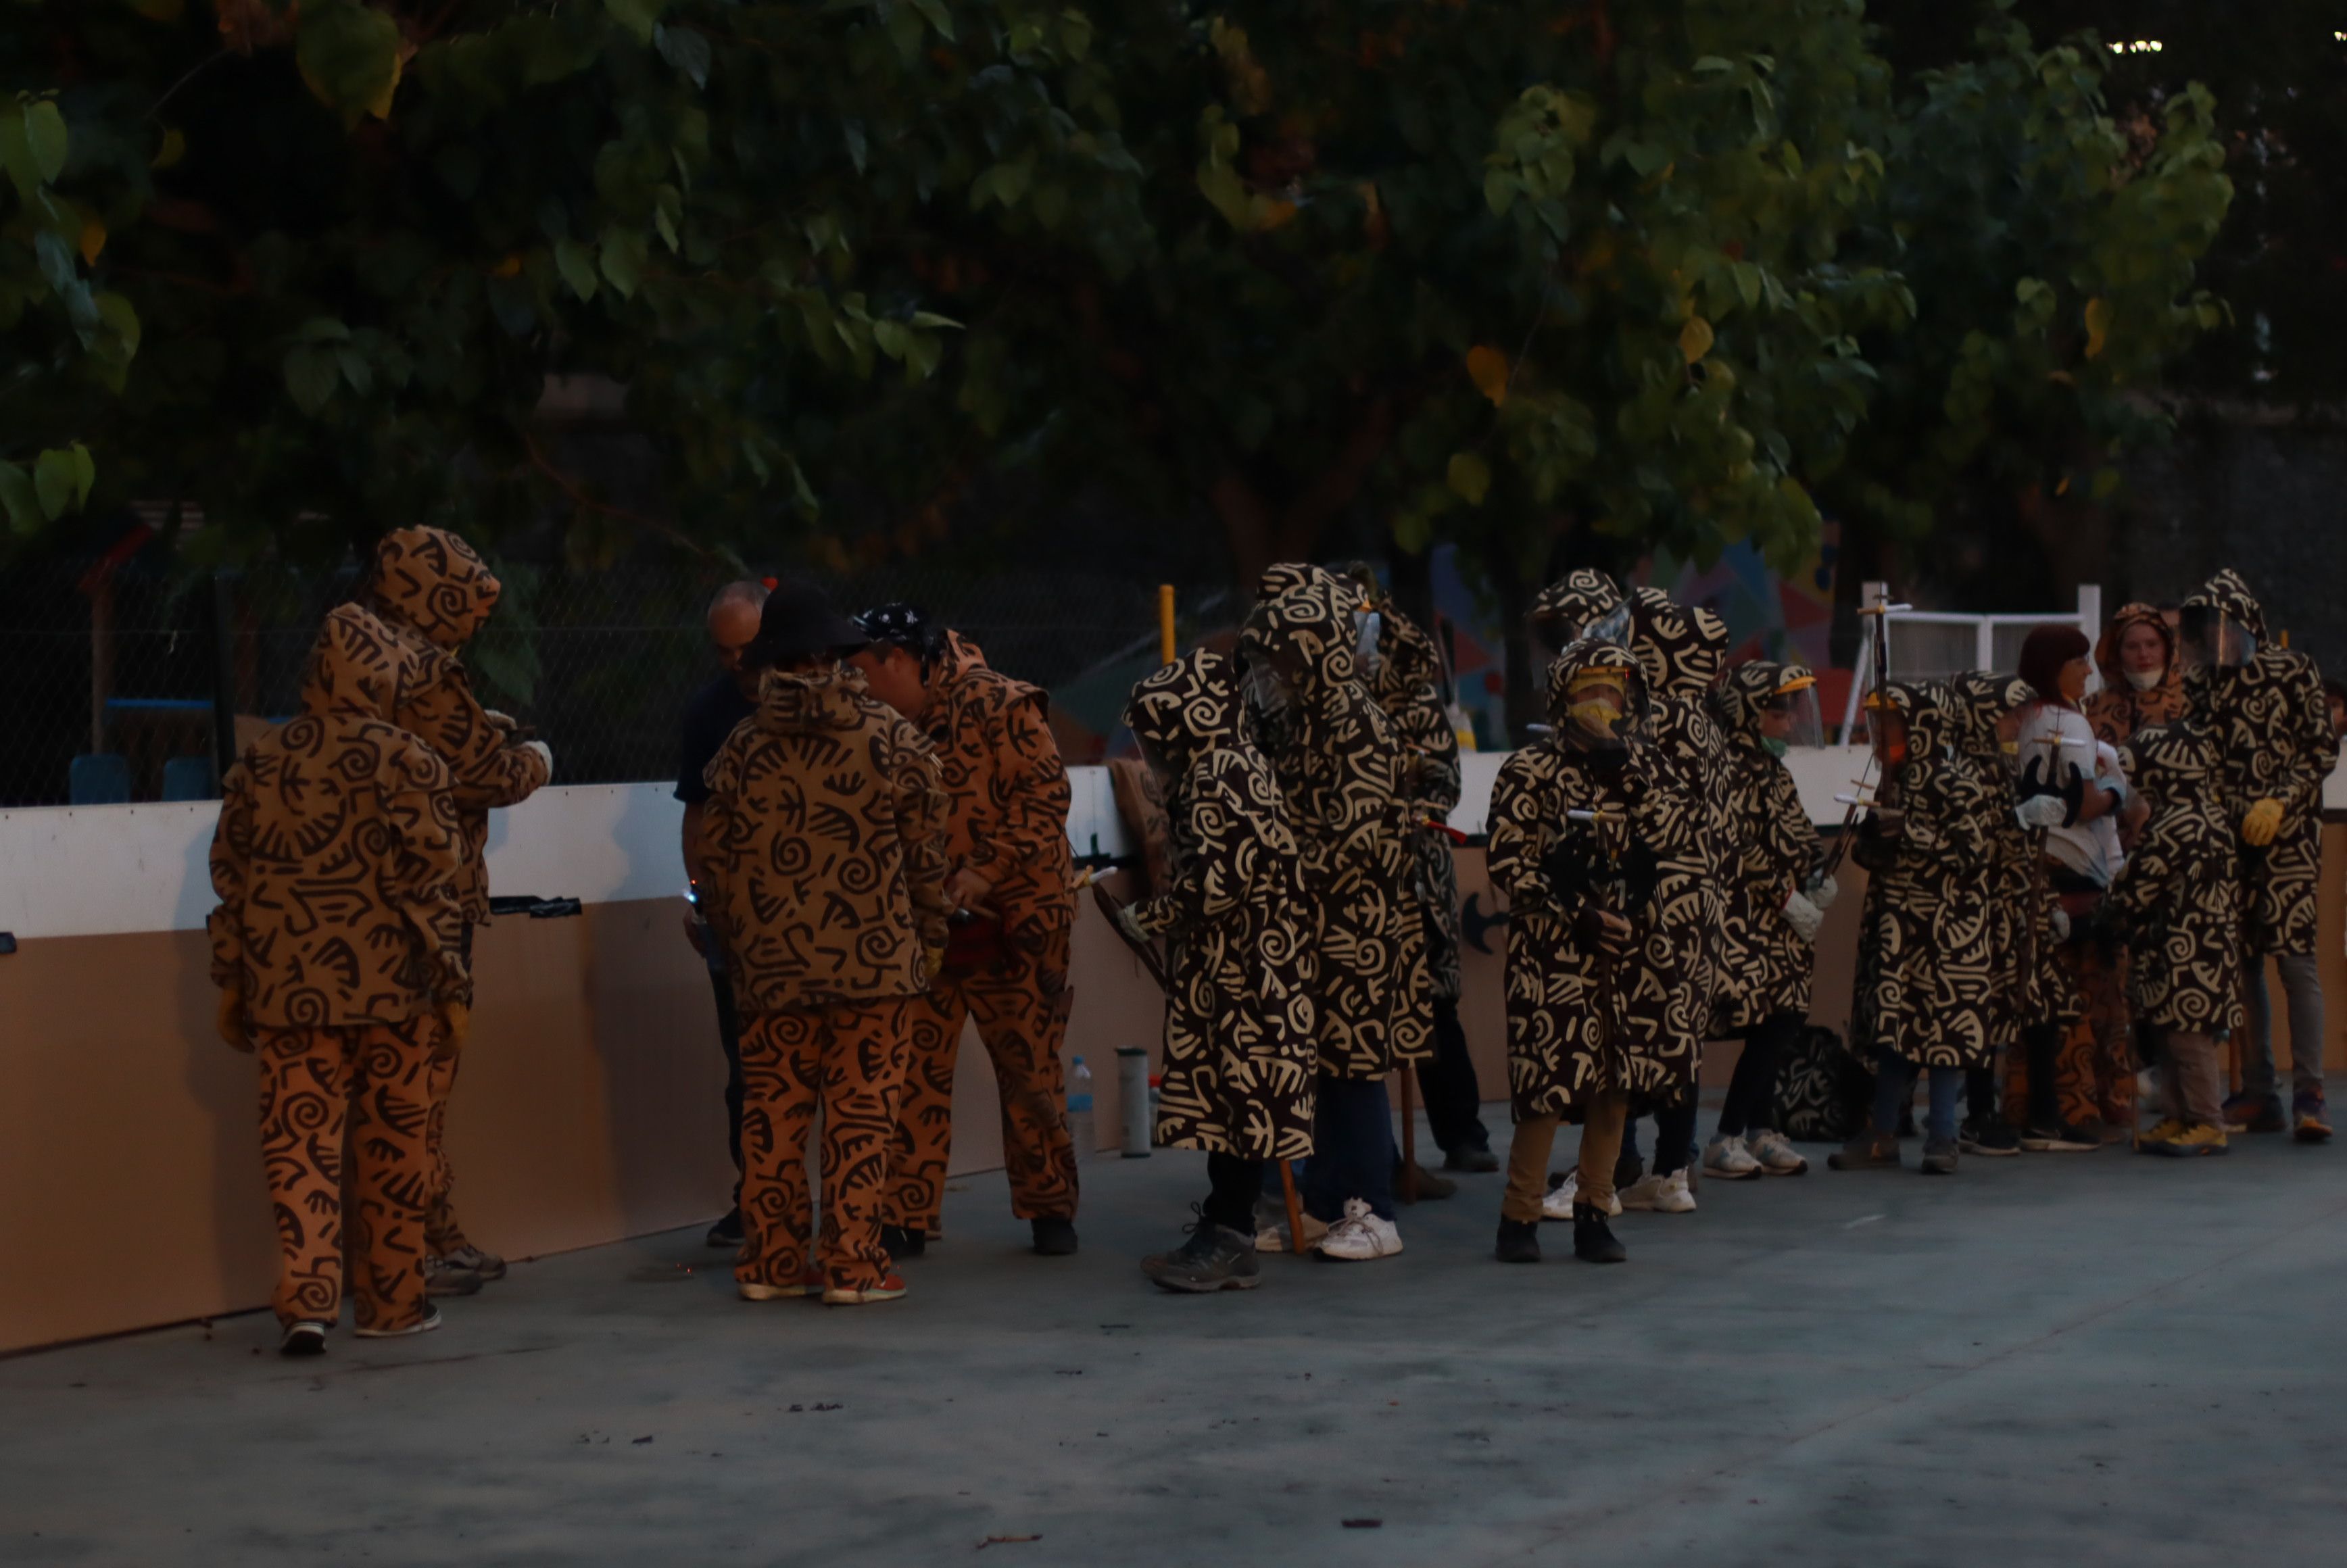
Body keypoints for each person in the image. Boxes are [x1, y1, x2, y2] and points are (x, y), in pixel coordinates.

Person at [208, 606, 468, 1355]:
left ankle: (308, 1299)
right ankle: (394, 1306)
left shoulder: (262, 760)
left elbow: (233, 877)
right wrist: (451, 985)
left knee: (301, 1149)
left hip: (289, 993)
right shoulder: (410, 758)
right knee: (394, 1150)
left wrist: (232, 977)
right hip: (394, 994)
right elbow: (433, 884)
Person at [697, 583, 949, 1305]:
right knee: (861, 1118)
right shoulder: (893, 739)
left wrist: (743, 949)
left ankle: (770, 1263)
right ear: (841, 657)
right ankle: (852, 1265)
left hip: (771, 974)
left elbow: (713, 867)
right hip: (876, 971)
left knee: (771, 1116)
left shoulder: (740, 747)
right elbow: (925, 863)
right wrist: (927, 944)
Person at [855, 604, 1084, 1258]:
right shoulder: (880, 724)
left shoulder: (1001, 703)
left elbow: (1046, 798)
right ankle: (904, 1216)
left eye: (864, 670)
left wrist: (985, 870)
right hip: (926, 927)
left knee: (1030, 1074)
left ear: (897, 660)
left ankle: (1050, 1210)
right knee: (913, 1071)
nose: (858, 685)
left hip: (1017, 924)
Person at [366, 526, 553, 1292]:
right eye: (464, 598)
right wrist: (534, 760)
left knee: (378, 1097)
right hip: (429, 916)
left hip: (356, 911)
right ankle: (414, 1249)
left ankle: (409, 1240)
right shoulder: (423, 672)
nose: (478, 615)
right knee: (418, 1093)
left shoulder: (353, 669)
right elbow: (484, 773)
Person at [1240, 565, 1430, 1260]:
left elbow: (1343, 838)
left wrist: (1269, 873)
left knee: (1352, 1066)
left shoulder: (1355, 721)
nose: (1277, 670)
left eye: (1288, 653)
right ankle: (1322, 1204)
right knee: (1319, 1065)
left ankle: (1372, 1209)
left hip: (1354, 927)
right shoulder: (1305, 721)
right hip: (1311, 924)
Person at [1119, 651, 1319, 1291]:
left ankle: (1229, 1237)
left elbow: (1216, 887)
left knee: (1239, 1101)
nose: (1152, 751)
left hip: (1244, 974)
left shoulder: (1216, 775)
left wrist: (1150, 918)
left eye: (1155, 735)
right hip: (1255, 964)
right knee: (1238, 1102)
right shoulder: (1239, 763)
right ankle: (1225, 1226)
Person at [1489, 638, 1689, 1264]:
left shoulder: (1641, 768)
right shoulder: (1529, 768)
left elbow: (1667, 847)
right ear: (1563, 697)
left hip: (1623, 956)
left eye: (1614, 690)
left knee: (1613, 1087)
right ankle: (1519, 1217)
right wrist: (1572, 914)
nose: (1604, 703)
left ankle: (1594, 1212)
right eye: (1590, 690)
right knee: (1547, 1087)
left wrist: (1632, 917)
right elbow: (1507, 859)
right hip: (1553, 953)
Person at [2179, 570, 2338, 1142]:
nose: (2217, 639)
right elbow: (2195, 755)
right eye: (2207, 630)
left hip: (2288, 838)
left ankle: (2311, 1093)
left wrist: (2280, 800)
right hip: (2227, 838)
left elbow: (2322, 748)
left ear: (2248, 623)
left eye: (2225, 627)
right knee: (2241, 964)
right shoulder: (2202, 684)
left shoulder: (2293, 670)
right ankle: (2258, 1089)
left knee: (2295, 963)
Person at [1347, 566, 1493, 1180]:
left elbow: (1443, 781)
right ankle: (1368, 1155)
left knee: (1432, 1008)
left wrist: (1402, 814)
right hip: (1349, 876)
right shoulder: (1315, 697)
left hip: (1413, 872)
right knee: (1353, 1018)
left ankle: (1462, 1134)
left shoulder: (1412, 693)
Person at [1831, 681, 1996, 1176]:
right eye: (1876, 723)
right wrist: (1871, 837)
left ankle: (1943, 1137)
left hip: (1949, 933)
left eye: (1891, 724)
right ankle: (1883, 1133)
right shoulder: (1890, 781)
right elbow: (1873, 858)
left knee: (1944, 1036)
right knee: (1892, 1033)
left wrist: (1914, 831)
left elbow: (1975, 855)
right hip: (1896, 929)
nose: (1880, 734)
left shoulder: (1956, 782)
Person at [2006, 625, 2142, 1148]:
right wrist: (2114, 791)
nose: (2089, 670)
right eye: (2078, 661)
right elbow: (2084, 805)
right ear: (2054, 667)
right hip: (2078, 875)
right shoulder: (2071, 725)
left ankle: (2028, 1105)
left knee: (2035, 999)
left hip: (2033, 872)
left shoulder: (2028, 719)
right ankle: (2071, 1106)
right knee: (2083, 1004)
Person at [675, 579, 771, 1248]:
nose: (737, 663)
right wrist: (700, 893)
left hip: (819, 921)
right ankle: (759, 1199)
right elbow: (698, 811)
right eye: (724, 651)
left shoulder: (832, 706)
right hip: (739, 923)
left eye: (749, 648)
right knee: (747, 1069)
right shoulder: (709, 712)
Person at [1704, 660, 1827, 1177]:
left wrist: (1817, 870)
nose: (1790, 721)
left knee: (1784, 1017)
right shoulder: (1727, 766)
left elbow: (1796, 829)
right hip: (1746, 922)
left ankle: (1759, 1130)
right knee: (1766, 1022)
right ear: (1749, 711)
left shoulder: (1774, 769)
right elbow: (1734, 841)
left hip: (1784, 926)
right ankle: (1727, 1135)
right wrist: (1782, 893)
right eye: (1779, 710)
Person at [2105, 720, 2242, 1157]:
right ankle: (2180, 1114)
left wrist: (2108, 915)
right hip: (2199, 949)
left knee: (2188, 1039)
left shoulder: (2176, 824)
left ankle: (2206, 1121)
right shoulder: (2207, 814)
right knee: (2171, 1035)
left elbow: (2142, 883)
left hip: (2188, 954)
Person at [1947, 669, 2048, 1158]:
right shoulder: (1963, 771)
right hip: (1974, 915)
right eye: (2006, 713)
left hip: (2003, 911)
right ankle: (1975, 1112)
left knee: (1993, 1015)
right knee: (1974, 1014)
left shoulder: (1998, 768)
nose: (2015, 722)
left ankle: (1985, 1107)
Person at [2083, 602, 2185, 752]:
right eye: (2132, 647)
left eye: (2152, 644)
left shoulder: (2190, 701)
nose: (2144, 654)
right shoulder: (2092, 707)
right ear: (2117, 653)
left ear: (2167, 648)